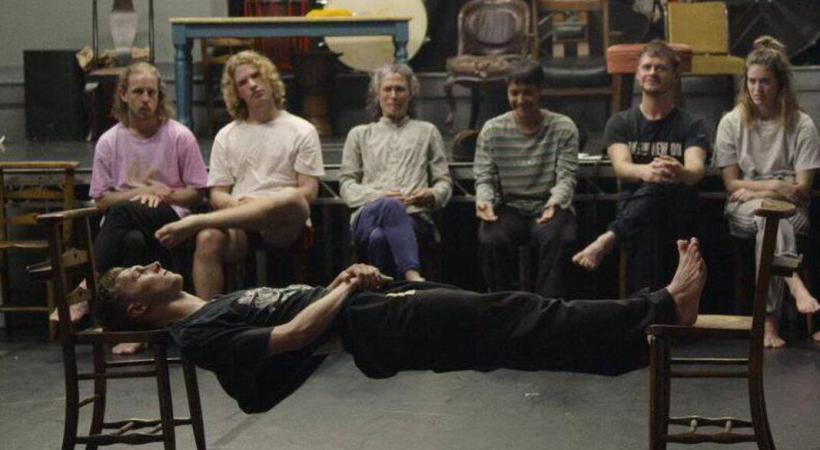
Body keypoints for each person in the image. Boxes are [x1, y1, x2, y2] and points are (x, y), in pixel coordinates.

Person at [96, 238, 706, 414]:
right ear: (135, 311)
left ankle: (635, 347)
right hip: (381, 326)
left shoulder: (214, 306)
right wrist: (342, 289)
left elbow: (299, 310)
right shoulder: (197, 336)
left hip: (377, 309)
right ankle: (661, 309)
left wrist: (345, 279)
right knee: (524, 316)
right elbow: (293, 337)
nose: (150, 264)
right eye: (134, 274)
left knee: (517, 339)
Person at [155, 51, 325, 300]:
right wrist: (236, 205)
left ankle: (196, 221)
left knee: (291, 197)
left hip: (284, 222)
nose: (252, 85)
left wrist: (263, 205)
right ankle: (205, 319)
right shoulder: (227, 135)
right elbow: (217, 194)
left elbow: (308, 192)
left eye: (256, 76)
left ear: (269, 78)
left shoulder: (302, 129)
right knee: (208, 238)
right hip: (240, 220)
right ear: (237, 93)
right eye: (243, 83)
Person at [87, 62, 209, 353]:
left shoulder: (179, 135)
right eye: (138, 92)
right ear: (124, 95)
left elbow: (198, 192)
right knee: (131, 237)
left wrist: (163, 196)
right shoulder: (109, 141)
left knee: (124, 209)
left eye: (151, 92)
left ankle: (87, 289)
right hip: (123, 228)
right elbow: (101, 199)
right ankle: (136, 332)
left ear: (159, 96)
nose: (145, 99)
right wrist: (142, 191)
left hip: (169, 219)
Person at [572, 40, 709, 292]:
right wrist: (648, 172)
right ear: (637, 74)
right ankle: (659, 321)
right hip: (635, 214)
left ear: (675, 75)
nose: (652, 73)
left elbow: (695, 171)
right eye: (646, 67)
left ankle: (609, 239)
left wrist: (679, 172)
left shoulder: (691, 124)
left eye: (660, 68)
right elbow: (622, 168)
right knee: (652, 207)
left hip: (679, 213)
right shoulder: (620, 123)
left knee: (663, 190)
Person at [714, 36, 820, 347]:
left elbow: (802, 190)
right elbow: (731, 184)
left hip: (789, 210)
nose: (757, 89)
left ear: (780, 84)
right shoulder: (731, 122)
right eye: (752, 82)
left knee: (771, 222)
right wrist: (775, 187)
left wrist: (766, 191)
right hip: (743, 207)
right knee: (767, 216)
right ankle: (793, 283)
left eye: (765, 82)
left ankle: (769, 324)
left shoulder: (802, 124)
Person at [474, 59, 578, 297]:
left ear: (540, 92)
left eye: (528, 92)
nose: (521, 100)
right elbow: (485, 178)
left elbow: (566, 178)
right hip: (509, 206)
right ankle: (501, 303)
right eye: (515, 93)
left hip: (549, 205)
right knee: (491, 238)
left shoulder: (563, 127)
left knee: (559, 237)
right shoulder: (492, 130)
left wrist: (554, 204)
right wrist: (484, 202)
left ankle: (547, 307)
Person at [339, 64, 452, 281]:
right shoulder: (360, 134)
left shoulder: (427, 131)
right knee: (390, 205)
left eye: (400, 89)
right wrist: (379, 197)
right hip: (368, 216)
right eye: (387, 89)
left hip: (414, 218)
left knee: (380, 239)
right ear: (377, 94)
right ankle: (412, 275)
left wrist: (432, 195)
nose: (393, 96)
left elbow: (443, 182)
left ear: (410, 94)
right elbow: (346, 185)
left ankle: (383, 301)